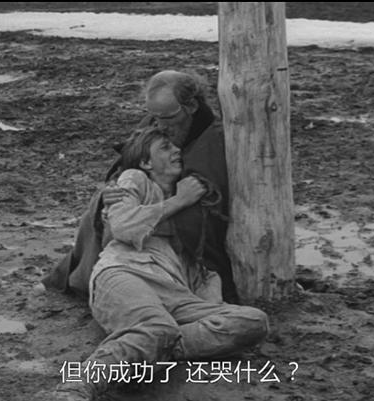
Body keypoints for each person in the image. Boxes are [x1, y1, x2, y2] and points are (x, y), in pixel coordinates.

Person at [51, 127, 269, 401]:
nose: (177, 150)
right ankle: (76, 387)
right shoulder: (136, 180)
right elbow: (124, 227)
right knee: (156, 327)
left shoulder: (193, 207)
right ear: (146, 162)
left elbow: (201, 271)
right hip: (126, 274)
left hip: (175, 292)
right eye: (165, 147)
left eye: (175, 146)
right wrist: (179, 200)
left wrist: (211, 304)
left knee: (252, 321)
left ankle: (156, 348)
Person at [42, 70, 239, 304]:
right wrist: (112, 191)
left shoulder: (214, 138)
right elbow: (128, 161)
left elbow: (208, 197)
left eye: (168, 118)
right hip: (146, 198)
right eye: (154, 117)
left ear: (192, 106)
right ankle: (81, 280)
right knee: (100, 205)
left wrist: (169, 204)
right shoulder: (156, 122)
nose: (160, 126)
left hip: (187, 214)